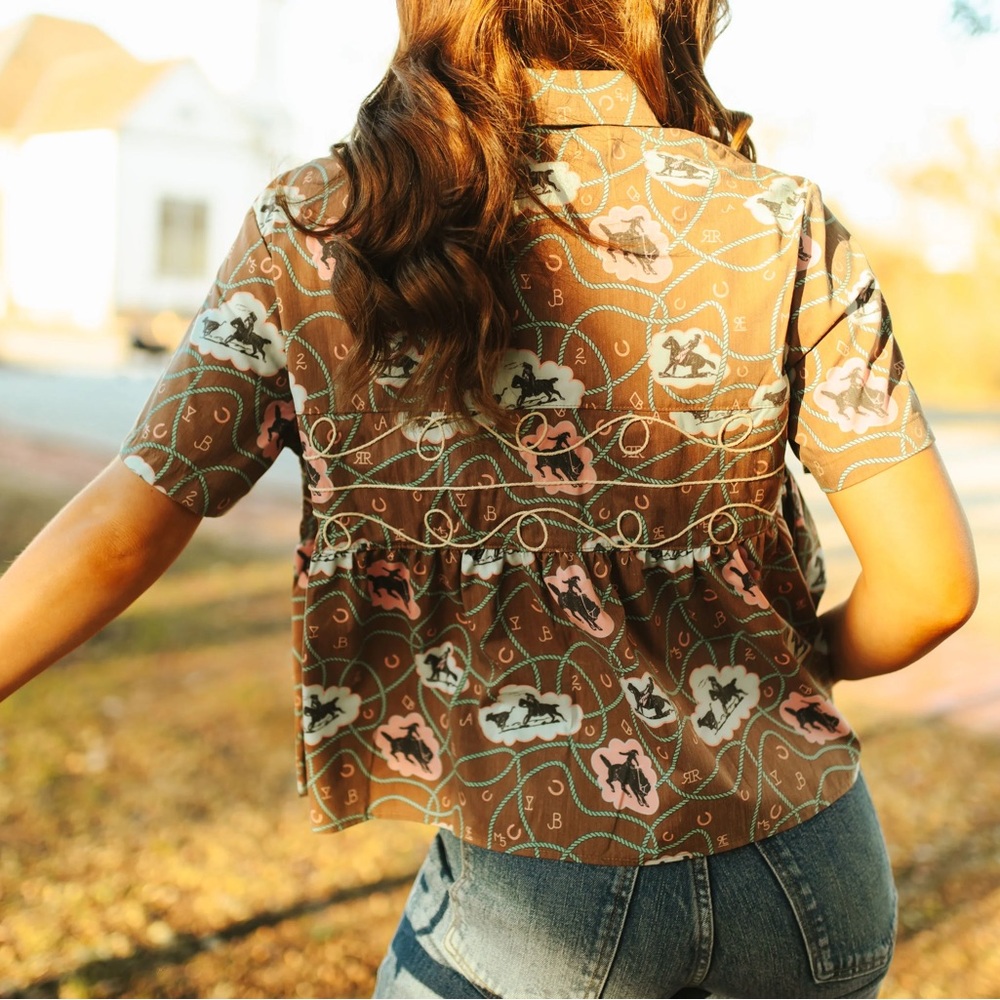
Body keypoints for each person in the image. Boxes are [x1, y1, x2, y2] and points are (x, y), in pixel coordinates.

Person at [0, 0, 979, 996]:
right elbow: (930, 588)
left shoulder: (318, 226)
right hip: (813, 876)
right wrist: (785, 675)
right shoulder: (778, 220)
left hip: (545, 881)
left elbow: (124, 530)